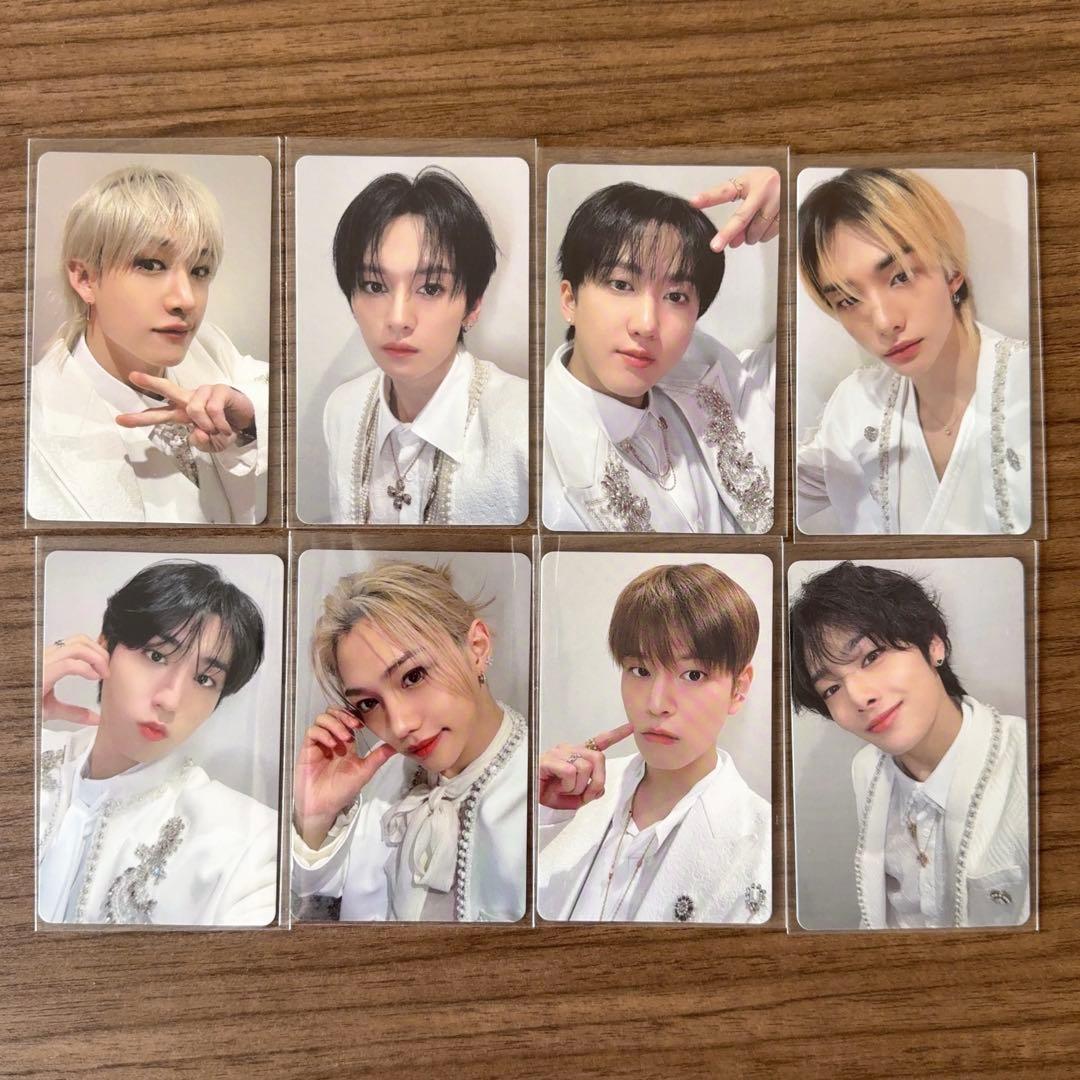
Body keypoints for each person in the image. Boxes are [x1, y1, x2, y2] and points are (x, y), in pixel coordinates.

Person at [788, 561, 1030, 929]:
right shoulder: (866, 770)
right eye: (832, 688)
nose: (859, 697)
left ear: (933, 644)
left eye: (872, 657)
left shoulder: (1029, 760)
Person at [38, 560, 277, 927]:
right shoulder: (25, 754)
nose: (171, 700)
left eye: (205, 679)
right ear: (104, 648)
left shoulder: (246, 841)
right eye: (156, 655)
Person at [28, 165, 270, 524]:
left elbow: (277, 399)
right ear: (85, 278)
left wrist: (249, 419)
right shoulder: (31, 423)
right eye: (151, 264)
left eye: (200, 270)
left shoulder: (211, 348)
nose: (186, 299)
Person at [796, 167, 1031, 534]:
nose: (884, 322)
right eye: (847, 300)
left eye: (901, 276)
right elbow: (764, 498)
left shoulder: (1034, 387)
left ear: (952, 270)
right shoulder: (856, 407)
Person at [542, 169, 777, 534]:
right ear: (570, 300)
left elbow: (778, 372)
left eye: (676, 296)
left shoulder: (703, 368)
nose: (647, 324)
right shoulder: (537, 461)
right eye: (622, 284)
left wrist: (791, 196)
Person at [291, 562, 526, 922]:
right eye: (368, 703)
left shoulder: (543, 792)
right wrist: (315, 816)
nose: (399, 725)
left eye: (414, 676)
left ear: (476, 648)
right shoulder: (382, 774)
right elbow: (313, 891)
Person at [536, 563, 771, 923]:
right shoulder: (568, 792)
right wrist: (530, 808)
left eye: (693, 675)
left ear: (738, 689)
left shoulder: (762, 844)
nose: (656, 703)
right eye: (640, 671)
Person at [322, 167, 528, 525]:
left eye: (431, 288)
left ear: (473, 305)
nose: (399, 318)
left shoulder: (524, 425)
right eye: (374, 286)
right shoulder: (342, 411)